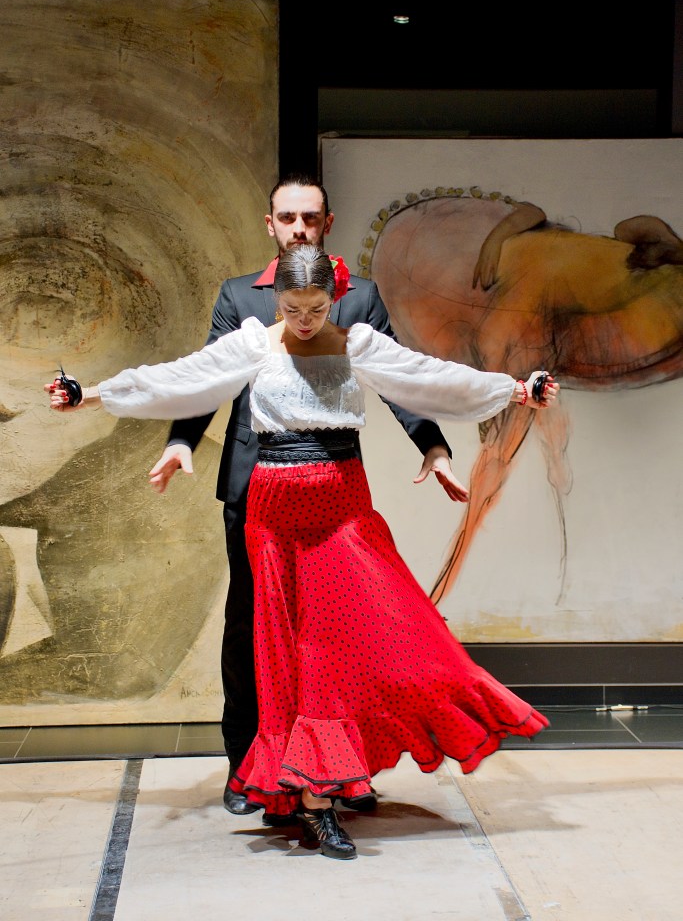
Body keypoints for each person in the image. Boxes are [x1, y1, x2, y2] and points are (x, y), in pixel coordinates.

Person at [46, 244, 559, 861]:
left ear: (333, 299)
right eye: (293, 309)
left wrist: (517, 390)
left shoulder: (357, 344)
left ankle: (332, 777)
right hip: (274, 513)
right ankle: (312, 799)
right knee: (295, 652)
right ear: (277, 301)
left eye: (316, 309)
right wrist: (88, 394)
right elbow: (179, 378)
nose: (305, 320)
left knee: (381, 633)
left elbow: (433, 378)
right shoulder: (253, 343)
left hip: (342, 506)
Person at [147, 172, 468, 820]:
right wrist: (181, 441)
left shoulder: (360, 298)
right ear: (270, 224)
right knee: (252, 627)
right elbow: (208, 378)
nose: (299, 228)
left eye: (310, 218)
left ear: (326, 224)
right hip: (256, 486)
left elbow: (398, 379)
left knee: (340, 632)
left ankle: (341, 767)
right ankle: (248, 767)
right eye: (287, 217)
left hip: (332, 493)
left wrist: (433, 447)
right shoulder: (239, 295)